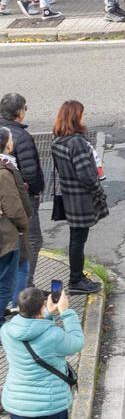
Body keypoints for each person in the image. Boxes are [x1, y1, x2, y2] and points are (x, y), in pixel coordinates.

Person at [1, 286, 83, 419]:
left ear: (19, 307)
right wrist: (66, 312)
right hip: (51, 404)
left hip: (19, 403)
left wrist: (47, 314)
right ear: (41, 306)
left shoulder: (6, 331)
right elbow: (77, 342)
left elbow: (30, 329)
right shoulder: (54, 335)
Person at [48, 101, 106, 293]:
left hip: (69, 196)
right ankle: (76, 280)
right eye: (81, 114)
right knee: (78, 239)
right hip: (82, 198)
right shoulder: (77, 143)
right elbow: (86, 175)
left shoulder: (57, 141)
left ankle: (77, 276)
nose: (83, 118)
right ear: (75, 117)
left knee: (76, 237)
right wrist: (99, 191)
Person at [0, 95, 44, 300]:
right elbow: (30, 174)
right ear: (19, 112)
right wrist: (34, 191)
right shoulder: (20, 137)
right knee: (30, 243)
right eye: (25, 108)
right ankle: (25, 295)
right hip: (18, 201)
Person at [0, 127, 30, 316]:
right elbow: (13, 207)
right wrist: (23, 225)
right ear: (7, 145)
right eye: (11, 139)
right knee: (5, 285)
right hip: (6, 235)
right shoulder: (4, 173)